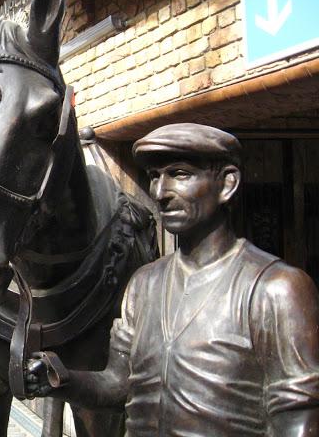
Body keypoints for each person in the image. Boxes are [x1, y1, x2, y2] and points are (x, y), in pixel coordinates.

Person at [26, 124, 319, 436]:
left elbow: (298, 421)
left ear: (227, 184)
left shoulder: (275, 290)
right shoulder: (144, 284)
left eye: (179, 174)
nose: (160, 193)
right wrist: (61, 379)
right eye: (155, 176)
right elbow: (118, 384)